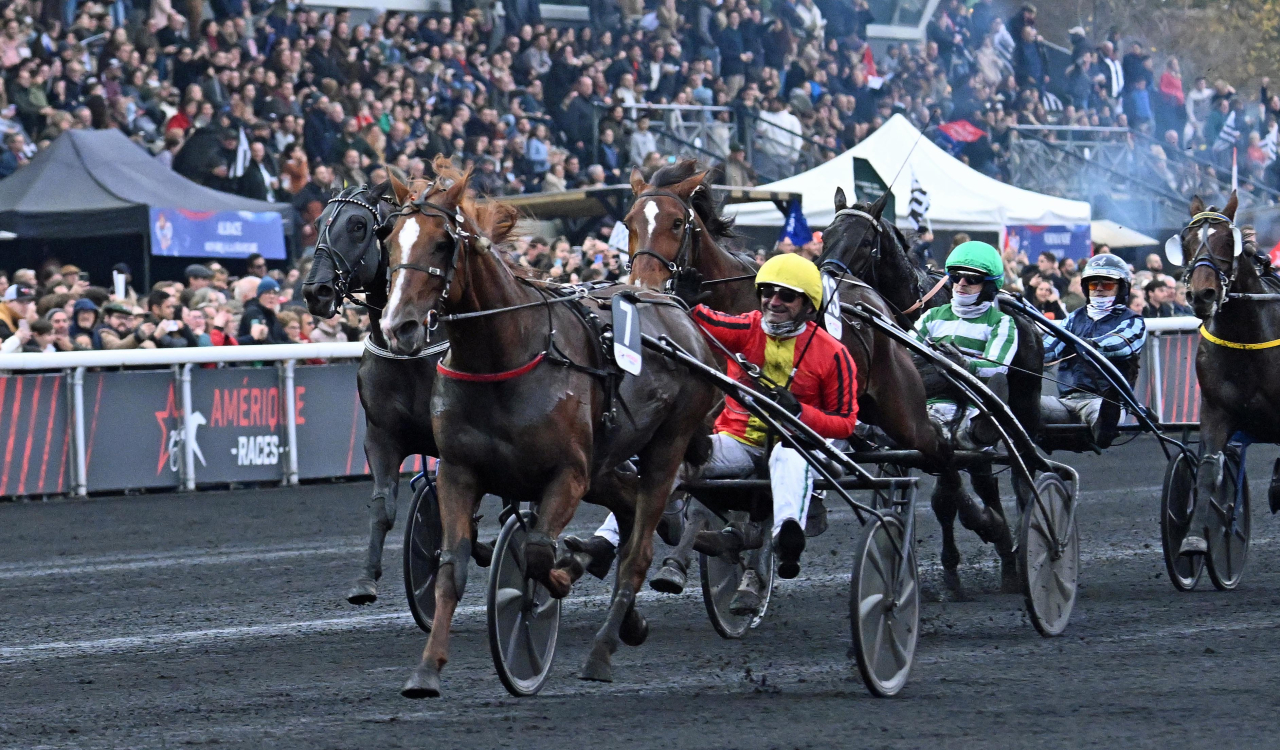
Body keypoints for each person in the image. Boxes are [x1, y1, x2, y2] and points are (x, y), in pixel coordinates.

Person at [565, 255, 859, 614]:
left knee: (788, 455)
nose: (774, 302)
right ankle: (604, 542)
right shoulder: (748, 328)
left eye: (786, 296)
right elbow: (702, 323)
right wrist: (686, 304)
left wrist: (801, 413)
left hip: (805, 447)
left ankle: (786, 535)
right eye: (767, 293)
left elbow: (845, 423)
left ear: (808, 306)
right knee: (668, 466)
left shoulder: (835, 354)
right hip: (739, 442)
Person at [910, 241, 1019, 451]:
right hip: (926, 404)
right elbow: (906, 357)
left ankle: (983, 429)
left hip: (971, 405)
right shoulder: (931, 316)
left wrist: (963, 364)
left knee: (967, 430)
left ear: (988, 285)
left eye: (972, 279)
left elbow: (996, 367)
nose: (961, 283)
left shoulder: (1001, 322)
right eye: (956, 276)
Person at [1040, 254, 1146, 448]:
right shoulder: (1072, 319)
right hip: (1066, 402)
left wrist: (1090, 344)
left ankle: (1103, 429)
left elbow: (1121, 343)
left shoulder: (1133, 321)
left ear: (1121, 288)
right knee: (1027, 406)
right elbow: (1047, 350)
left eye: (1106, 285)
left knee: (1103, 411)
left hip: (1101, 402)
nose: (1098, 289)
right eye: (1092, 285)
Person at [237, 276, 289, 344]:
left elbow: (283, 338)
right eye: (267, 293)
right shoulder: (253, 312)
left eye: (275, 293)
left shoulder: (271, 315)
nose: (272, 296)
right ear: (259, 296)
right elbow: (265, 341)